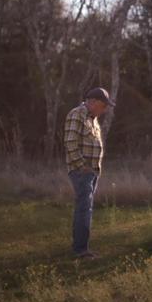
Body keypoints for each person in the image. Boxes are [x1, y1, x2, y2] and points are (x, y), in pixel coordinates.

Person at [63, 87, 115, 259]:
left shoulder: (93, 119)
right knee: (84, 209)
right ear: (92, 102)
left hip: (92, 172)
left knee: (86, 208)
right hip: (82, 171)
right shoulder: (77, 114)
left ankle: (81, 247)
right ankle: (81, 251)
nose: (104, 109)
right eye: (102, 105)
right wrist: (82, 166)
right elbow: (70, 143)